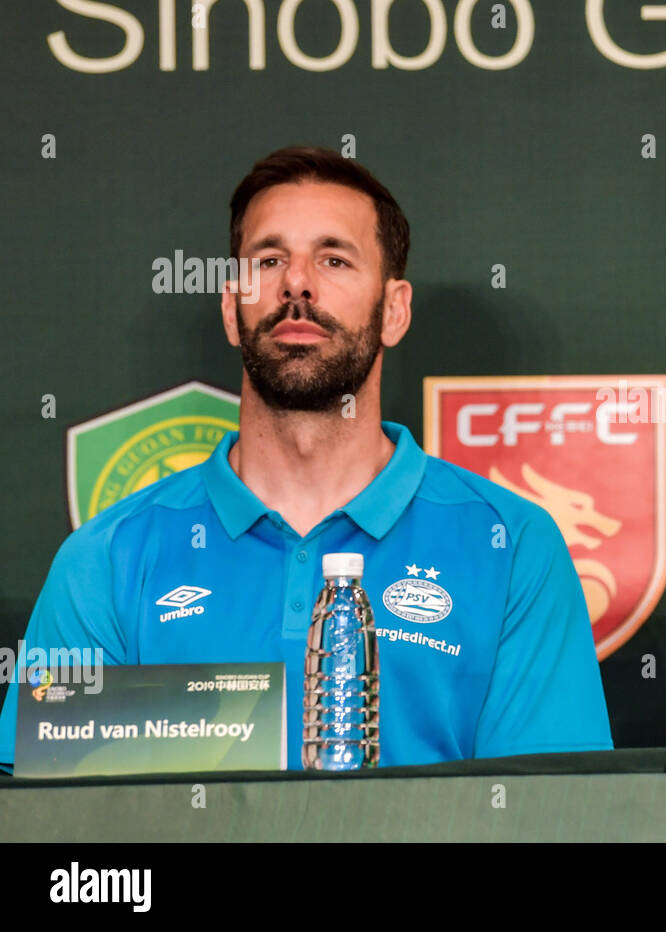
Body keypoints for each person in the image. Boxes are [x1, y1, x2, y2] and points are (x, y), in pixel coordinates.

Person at [0, 146, 611, 772]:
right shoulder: (107, 559)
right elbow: (48, 824)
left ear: (395, 310)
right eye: (269, 260)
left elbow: (551, 818)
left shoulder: (511, 547)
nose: (297, 282)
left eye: (334, 258)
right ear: (231, 310)